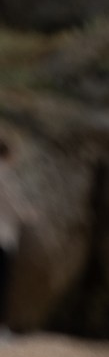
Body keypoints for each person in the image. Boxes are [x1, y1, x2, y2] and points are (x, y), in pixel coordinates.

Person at [0, 130, 28, 337]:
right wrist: (29, 215)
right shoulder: (4, 175)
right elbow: (14, 208)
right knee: (2, 283)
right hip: (3, 237)